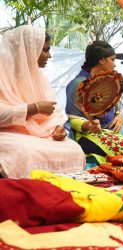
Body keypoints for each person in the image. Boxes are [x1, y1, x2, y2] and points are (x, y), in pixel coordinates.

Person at [0, 25, 85, 178]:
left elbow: (55, 113)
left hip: (40, 134)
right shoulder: (2, 75)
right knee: (24, 153)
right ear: (28, 51)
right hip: (7, 134)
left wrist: (58, 128)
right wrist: (34, 108)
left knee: (74, 150)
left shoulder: (40, 78)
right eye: (45, 50)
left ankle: (62, 193)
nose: (49, 55)